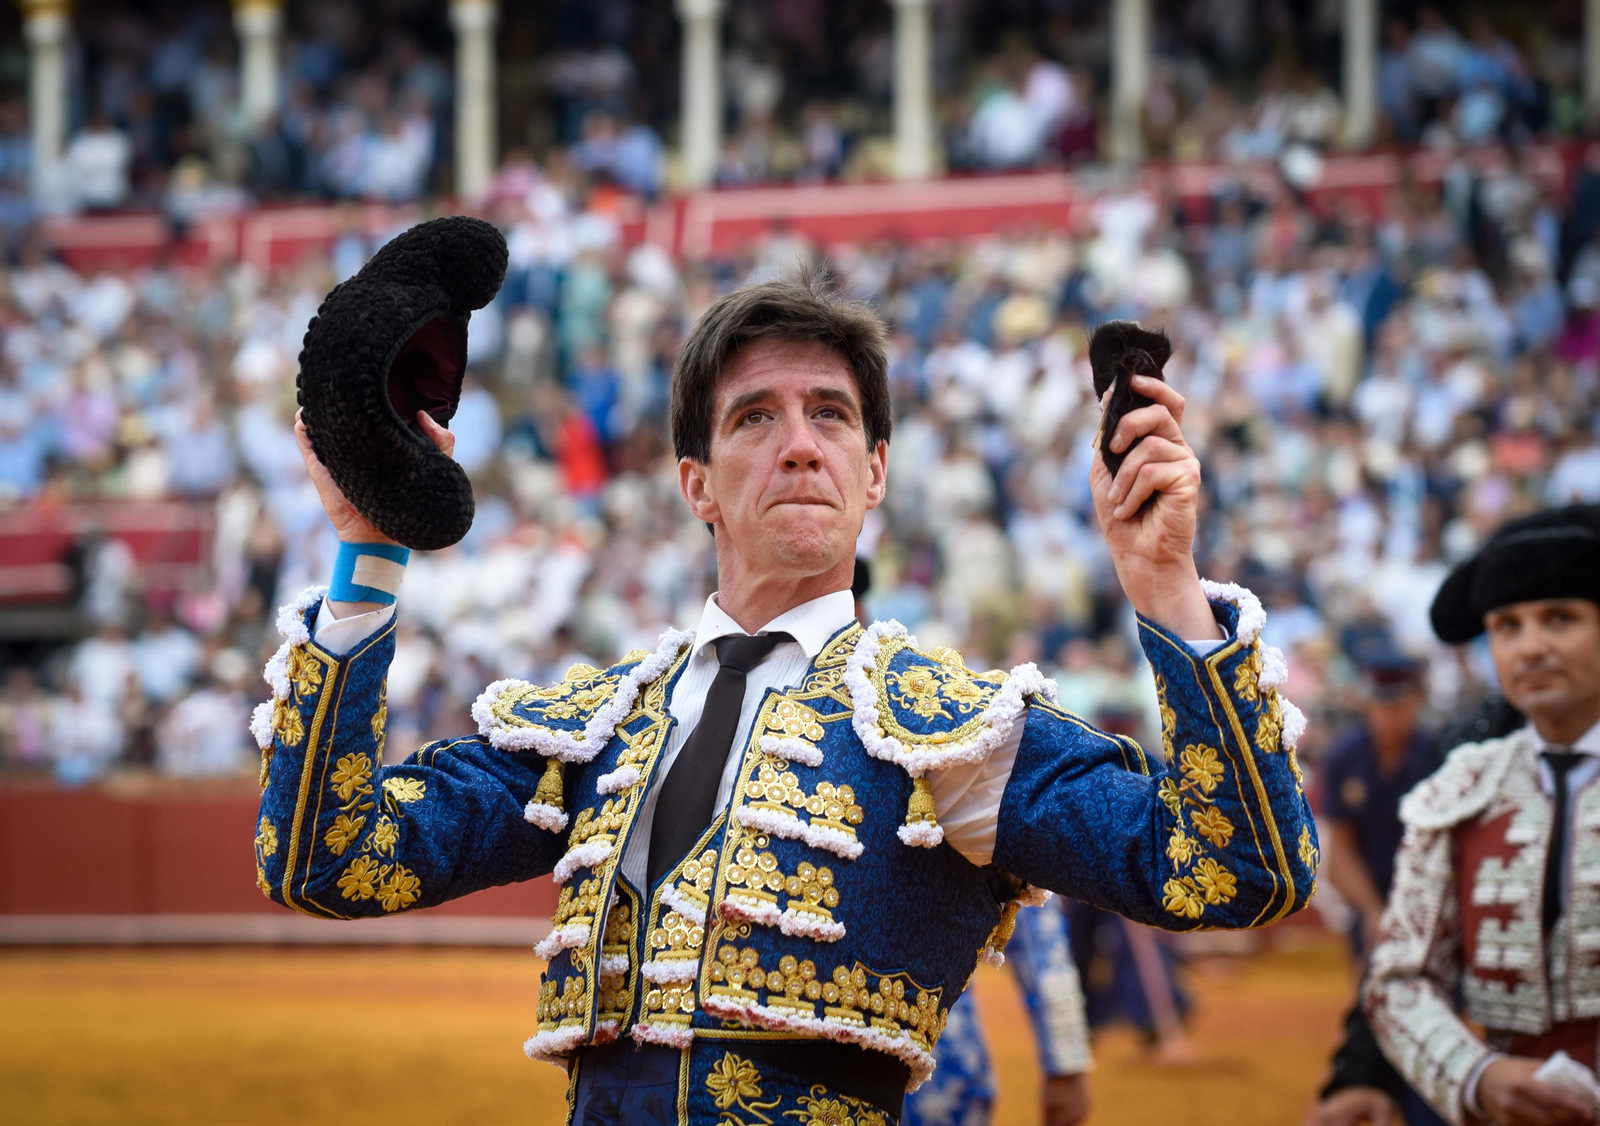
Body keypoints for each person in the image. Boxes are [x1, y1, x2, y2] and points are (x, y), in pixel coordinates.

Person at [253, 273, 1314, 1123]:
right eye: (754, 416)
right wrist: (367, 556)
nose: (799, 442)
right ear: (695, 483)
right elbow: (330, 857)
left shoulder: (947, 735)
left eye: (832, 416)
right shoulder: (597, 729)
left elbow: (1232, 869)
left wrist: (1167, 588)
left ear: (876, 470)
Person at [1363, 504, 1600, 1126]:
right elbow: (1398, 979)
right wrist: (1478, 1076)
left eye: (1561, 619)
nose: (1533, 647)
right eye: (1507, 626)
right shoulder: (1466, 784)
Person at [905, 903, 1092, 1126]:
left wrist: (1066, 1066)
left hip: (933, 1072)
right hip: (939, 1074)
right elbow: (1040, 936)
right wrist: (1065, 1066)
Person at [1321, 644, 1436, 959]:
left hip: (1430, 902)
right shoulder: (1344, 757)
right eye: (1380, 705)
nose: (1389, 716)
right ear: (1366, 704)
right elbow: (1340, 849)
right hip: (1366, 897)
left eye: (1398, 705)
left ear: (1415, 701)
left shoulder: (1437, 755)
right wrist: (1373, 911)